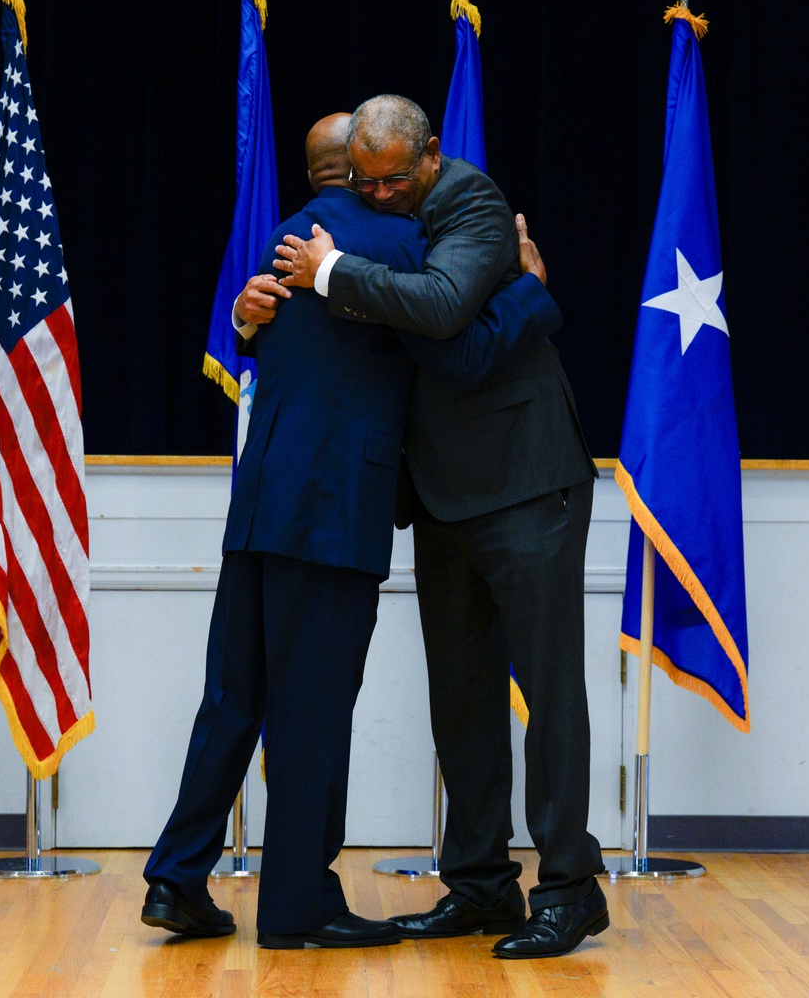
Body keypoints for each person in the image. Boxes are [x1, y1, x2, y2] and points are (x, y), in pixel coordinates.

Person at [141, 113, 557, 950]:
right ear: (369, 171)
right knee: (313, 710)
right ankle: (297, 905)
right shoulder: (400, 249)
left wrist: (244, 320)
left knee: (232, 699)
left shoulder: (286, 241)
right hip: (332, 512)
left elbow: (272, 342)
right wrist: (528, 292)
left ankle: (178, 880)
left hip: (258, 504)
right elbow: (462, 352)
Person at [274, 95, 609, 959]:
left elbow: (448, 317)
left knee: (548, 692)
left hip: (529, 479)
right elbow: (438, 332)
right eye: (365, 179)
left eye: (394, 179)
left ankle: (571, 889)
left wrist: (341, 279)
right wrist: (526, 296)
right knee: (459, 699)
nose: (381, 194)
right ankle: (481, 886)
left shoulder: (473, 201)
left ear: (429, 157)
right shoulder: (369, 218)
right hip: (440, 492)